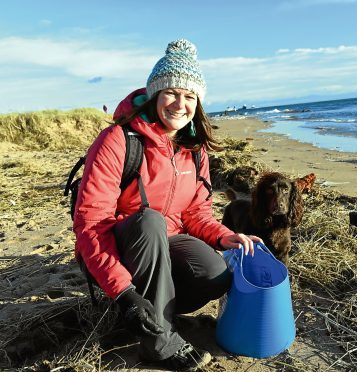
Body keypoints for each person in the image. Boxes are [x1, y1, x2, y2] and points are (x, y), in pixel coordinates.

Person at [72, 38, 262, 371]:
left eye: (190, 96)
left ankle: (155, 311)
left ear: (198, 103)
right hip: (118, 247)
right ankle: (157, 342)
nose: (179, 104)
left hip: (167, 243)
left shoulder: (195, 149)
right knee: (149, 221)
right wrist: (123, 293)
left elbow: (195, 212)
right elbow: (91, 223)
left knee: (215, 274)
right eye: (171, 93)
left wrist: (222, 236)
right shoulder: (119, 140)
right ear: (155, 94)